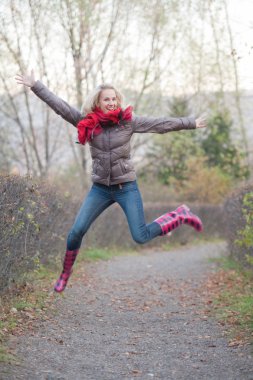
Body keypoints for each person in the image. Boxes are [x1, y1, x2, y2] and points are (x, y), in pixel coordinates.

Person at [15, 70, 207, 293]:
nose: (111, 102)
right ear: (98, 102)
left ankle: (180, 215)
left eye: (114, 98)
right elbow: (61, 107)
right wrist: (36, 86)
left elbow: (160, 124)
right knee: (76, 231)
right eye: (107, 99)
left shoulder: (128, 122)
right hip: (100, 189)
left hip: (126, 187)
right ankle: (66, 273)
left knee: (140, 236)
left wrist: (190, 123)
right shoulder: (87, 122)